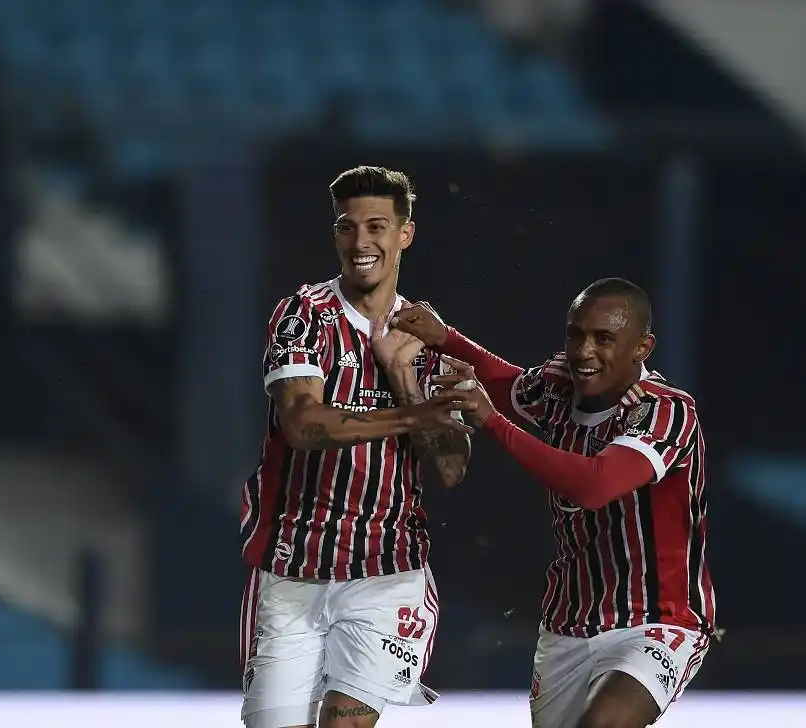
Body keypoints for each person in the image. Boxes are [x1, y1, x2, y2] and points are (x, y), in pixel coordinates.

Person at [392, 277, 715, 728]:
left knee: (603, 723)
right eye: (575, 333)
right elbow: (511, 387)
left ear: (643, 347)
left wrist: (491, 422)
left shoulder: (666, 411)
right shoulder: (561, 381)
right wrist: (446, 338)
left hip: (657, 622)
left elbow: (594, 485)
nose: (584, 351)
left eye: (604, 338)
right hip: (567, 625)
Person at [239, 166, 473, 728]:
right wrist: (412, 414)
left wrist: (405, 375)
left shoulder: (426, 334)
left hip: (386, 569)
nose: (361, 242)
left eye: (376, 226)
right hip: (292, 565)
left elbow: (450, 467)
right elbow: (303, 425)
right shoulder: (304, 316)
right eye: (347, 227)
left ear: (405, 234)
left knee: (346, 722)